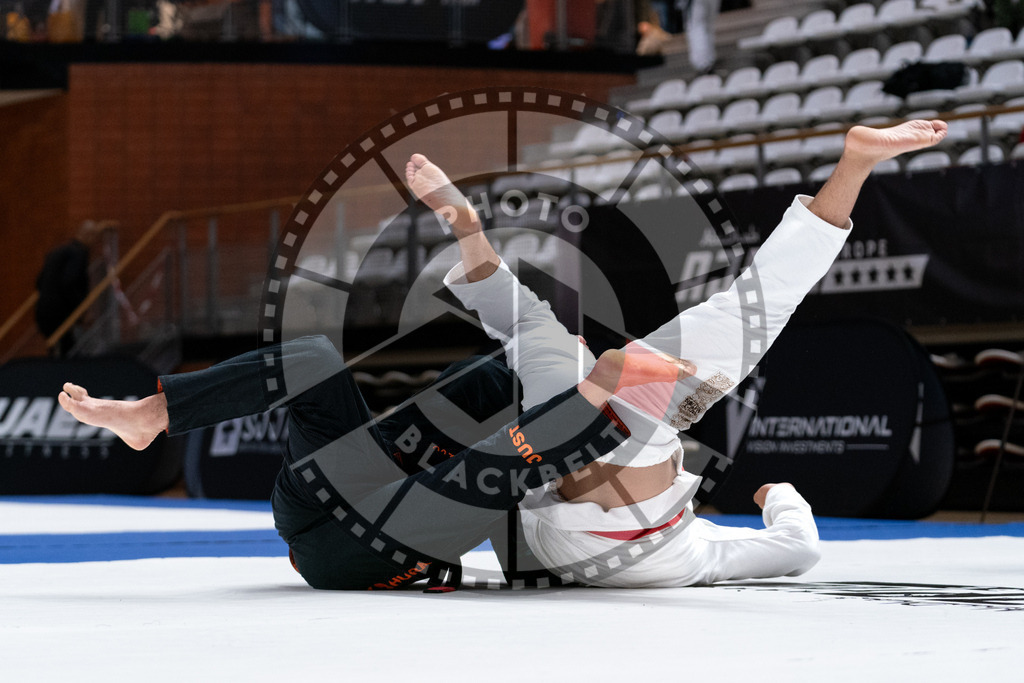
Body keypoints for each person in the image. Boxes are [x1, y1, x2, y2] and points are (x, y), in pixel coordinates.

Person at [59, 119, 948, 591]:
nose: (611, 366)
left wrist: (779, 497)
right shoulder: (624, 419)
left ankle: (583, 407)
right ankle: (155, 414)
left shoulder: (679, 545)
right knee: (332, 358)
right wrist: (463, 223)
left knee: (528, 415)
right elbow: (533, 322)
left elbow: (792, 548)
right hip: (327, 493)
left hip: (362, 551)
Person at [407, 119, 948, 588]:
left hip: (620, 505)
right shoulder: (701, 550)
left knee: (759, 305)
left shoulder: (702, 556)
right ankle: (471, 231)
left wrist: (781, 496)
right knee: (531, 329)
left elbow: (800, 548)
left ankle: (854, 165)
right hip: (574, 492)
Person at [35, 220, 108, 357]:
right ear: (89, 236)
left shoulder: (58, 252)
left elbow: (39, 282)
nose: (95, 244)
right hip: (58, 315)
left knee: (63, 348)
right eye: (95, 239)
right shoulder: (79, 253)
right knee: (67, 352)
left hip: (43, 312)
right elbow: (69, 282)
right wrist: (82, 312)